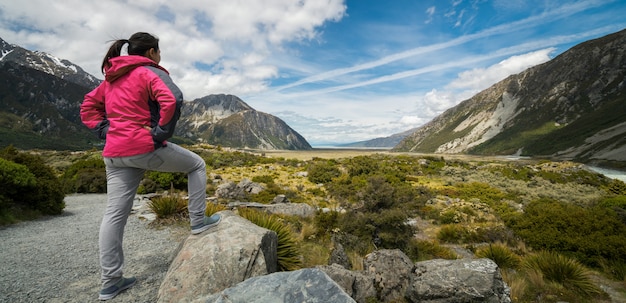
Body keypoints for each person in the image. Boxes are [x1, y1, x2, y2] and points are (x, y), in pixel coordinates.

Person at [80, 32, 221, 301]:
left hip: (113, 153)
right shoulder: (147, 71)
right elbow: (173, 98)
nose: (160, 55)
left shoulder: (111, 78)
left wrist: (105, 129)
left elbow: (88, 106)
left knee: (114, 215)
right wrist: (159, 133)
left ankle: (110, 282)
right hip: (142, 146)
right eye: (159, 51)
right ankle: (198, 221)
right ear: (152, 52)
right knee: (197, 165)